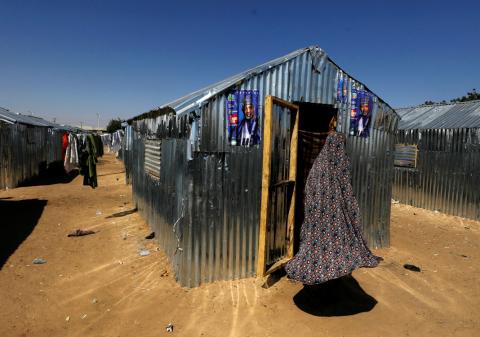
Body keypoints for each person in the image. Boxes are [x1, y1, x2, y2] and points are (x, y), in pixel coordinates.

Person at [285, 132, 382, 285]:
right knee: (330, 238)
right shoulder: (337, 162)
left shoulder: (318, 164)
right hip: (329, 210)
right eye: (340, 146)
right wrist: (347, 205)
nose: (341, 150)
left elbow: (311, 189)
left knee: (316, 238)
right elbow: (345, 184)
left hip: (315, 210)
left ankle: (318, 264)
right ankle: (328, 267)